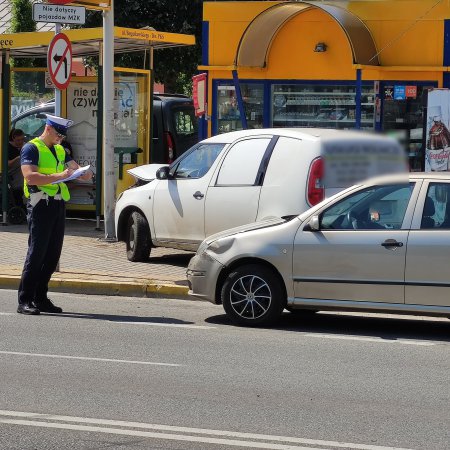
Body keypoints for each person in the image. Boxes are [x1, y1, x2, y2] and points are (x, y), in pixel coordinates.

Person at [17, 114, 93, 315]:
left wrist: (84, 173)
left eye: (63, 135)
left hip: (58, 205)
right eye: (59, 134)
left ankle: (40, 298)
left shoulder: (60, 149)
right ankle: (25, 299)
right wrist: (59, 176)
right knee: (36, 254)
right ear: (48, 128)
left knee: (52, 256)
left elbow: (75, 168)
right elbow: (30, 177)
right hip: (40, 204)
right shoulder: (31, 148)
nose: (61, 138)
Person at [7, 128, 25, 206]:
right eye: (18, 140)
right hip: (12, 174)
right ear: (13, 138)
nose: (20, 142)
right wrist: (18, 158)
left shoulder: (24, 146)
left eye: (22, 139)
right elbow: (6, 164)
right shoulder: (8, 147)